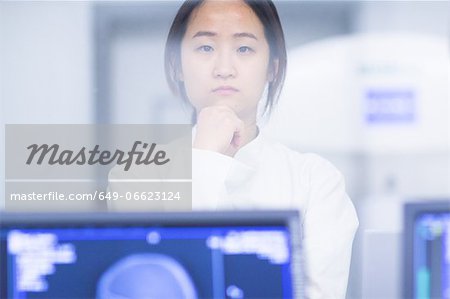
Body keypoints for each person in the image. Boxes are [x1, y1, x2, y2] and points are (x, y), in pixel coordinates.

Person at [111, 0, 358, 298]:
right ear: (177, 65)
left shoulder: (316, 180)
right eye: (205, 48)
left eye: (244, 49)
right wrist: (204, 161)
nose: (224, 69)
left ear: (272, 67)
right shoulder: (137, 177)